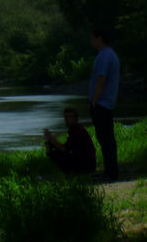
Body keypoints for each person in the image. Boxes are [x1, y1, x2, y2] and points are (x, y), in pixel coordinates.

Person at [89, 27, 120, 181]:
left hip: (102, 104)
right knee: (106, 138)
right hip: (106, 103)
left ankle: (111, 172)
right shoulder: (108, 55)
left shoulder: (105, 56)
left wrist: (94, 100)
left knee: (105, 138)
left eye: (92, 38)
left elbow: (101, 79)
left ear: (99, 38)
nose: (91, 41)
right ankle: (110, 170)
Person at [44, 107, 96, 174]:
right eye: (65, 117)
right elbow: (67, 147)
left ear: (75, 118)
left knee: (54, 154)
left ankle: (70, 173)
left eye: (70, 117)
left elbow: (64, 149)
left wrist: (51, 138)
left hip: (86, 165)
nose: (66, 119)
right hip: (87, 163)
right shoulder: (77, 128)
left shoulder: (76, 130)